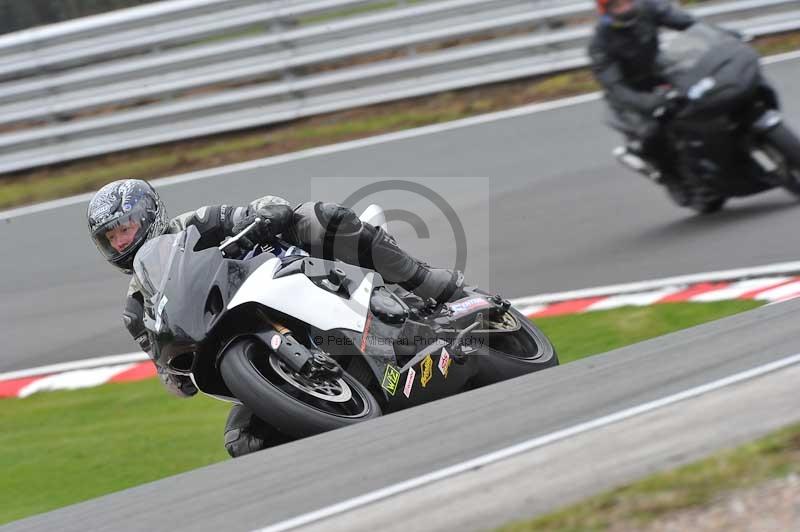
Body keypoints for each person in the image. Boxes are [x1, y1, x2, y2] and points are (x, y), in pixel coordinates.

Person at [87, 179, 465, 457]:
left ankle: (425, 281)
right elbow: (169, 375)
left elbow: (249, 211)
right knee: (241, 441)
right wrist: (174, 372)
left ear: (148, 216)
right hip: (238, 341)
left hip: (281, 275)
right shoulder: (137, 310)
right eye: (110, 238)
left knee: (318, 217)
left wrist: (262, 214)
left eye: (124, 229)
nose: (120, 243)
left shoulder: (194, 225)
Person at [588, 0, 695, 182]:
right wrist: (648, 102)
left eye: (626, 2)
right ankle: (670, 176)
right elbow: (614, 85)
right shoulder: (600, 43)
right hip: (630, 92)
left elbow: (688, 24)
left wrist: (724, 36)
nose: (625, 8)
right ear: (606, 11)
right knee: (651, 132)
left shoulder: (648, 9)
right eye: (617, 5)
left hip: (659, 74)